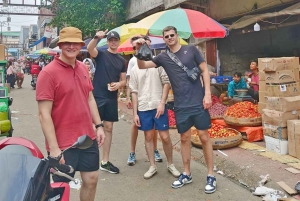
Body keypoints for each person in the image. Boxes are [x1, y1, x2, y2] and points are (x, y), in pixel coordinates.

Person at [135, 26, 216, 193]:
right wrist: (138, 48)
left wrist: (207, 93)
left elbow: (204, 70)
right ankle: (187, 173)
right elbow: (142, 65)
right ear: (164, 39)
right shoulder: (163, 57)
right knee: (185, 138)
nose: (170, 37)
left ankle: (211, 175)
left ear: (177, 36)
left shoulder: (191, 49)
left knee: (204, 137)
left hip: (198, 102)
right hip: (181, 105)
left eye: (172, 35)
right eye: (167, 36)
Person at [36, 27, 105, 201]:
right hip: (63, 144)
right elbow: (44, 114)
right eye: (67, 43)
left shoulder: (83, 68)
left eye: (75, 43)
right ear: (60, 45)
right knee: (62, 187)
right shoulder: (48, 73)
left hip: (86, 137)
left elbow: (89, 98)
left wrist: (99, 125)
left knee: (92, 179)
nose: (71, 46)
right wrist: (54, 149)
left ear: (81, 45)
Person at [129, 36, 180, 179]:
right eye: (139, 47)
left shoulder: (158, 64)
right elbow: (134, 91)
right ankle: (152, 165)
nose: (143, 49)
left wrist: (162, 103)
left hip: (158, 105)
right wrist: (135, 113)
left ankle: (171, 164)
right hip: (144, 107)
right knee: (148, 136)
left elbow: (166, 82)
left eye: (145, 46)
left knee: (165, 136)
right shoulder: (134, 69)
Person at [87, 30, 126, 174]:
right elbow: (90, 49)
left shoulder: (122, 61)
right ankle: (89, 158)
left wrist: (119, 85)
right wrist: (97, 37)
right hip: (98, 95)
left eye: (116, 40)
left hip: (111, 97)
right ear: (108, 41)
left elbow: (123, 80)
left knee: (108, 127)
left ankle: (105, 161)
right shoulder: (102, 54)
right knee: (93, 126)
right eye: (111, 40)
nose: (113, 42)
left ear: (119, 41)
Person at [126, 36, 163, 166]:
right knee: (135, 124)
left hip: (152, 99)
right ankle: (132, 151)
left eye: (147, 44)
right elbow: (130, 81)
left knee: (153, 129)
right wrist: (128, 96)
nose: (145, 47)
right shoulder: (133, 61)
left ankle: (155, 149)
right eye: (142, 45)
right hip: (140, 98)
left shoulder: (155, 61)